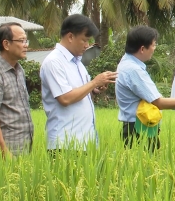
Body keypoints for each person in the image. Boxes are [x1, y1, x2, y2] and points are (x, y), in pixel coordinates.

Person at [40, 14, 117, 154]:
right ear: (70, 37)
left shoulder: (77, 62)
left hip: (84, 141)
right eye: (84, 40)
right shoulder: (54, 62)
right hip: (64, 144)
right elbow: (65, 98)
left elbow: (79, 92)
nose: (87, 45)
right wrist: (94, 83)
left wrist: (95, 90)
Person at [0, 22, 34, 158]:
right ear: (6, 44)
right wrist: (5, 152)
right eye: (21, 40)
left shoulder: (19, 70)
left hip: (23, 148)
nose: (26, 44)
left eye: (26, 40)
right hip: (4, 153)